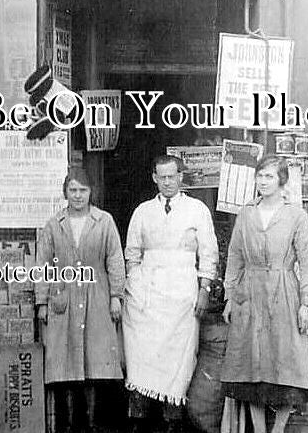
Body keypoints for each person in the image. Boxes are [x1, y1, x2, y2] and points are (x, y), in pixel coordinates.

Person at [221, 155, 308, 433]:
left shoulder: (296, 216)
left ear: (282, 182)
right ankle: (260, 429)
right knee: (251, 366)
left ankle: (278, 430)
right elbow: (235, 256)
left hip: (284, 292)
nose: (262, 182)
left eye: (269, 177)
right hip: (249, 294)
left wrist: (306, 303)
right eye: (259, 176)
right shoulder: (247, 212)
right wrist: (230, 296)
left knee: (286, 363)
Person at [122, 155, 219, 433]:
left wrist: (204, 289)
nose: (167, 182)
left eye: (172, 176)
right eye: (161, 177)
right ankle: (139, 420)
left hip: (182, 294)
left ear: (181, 176)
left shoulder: (196, 209)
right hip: (147, 296)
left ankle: (171, 422)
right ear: (154, 178)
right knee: (142, 358)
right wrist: (136, 285)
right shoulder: (143, 211)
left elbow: (208, 253)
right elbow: (132, 253)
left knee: (179, 360)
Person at [36, 168, 126, 433]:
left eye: (83, 190)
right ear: (65, 192)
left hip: (97, 295)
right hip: (63, 296)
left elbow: (115, 260)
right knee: (66, 367)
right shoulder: (54, 223)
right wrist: (42, 302)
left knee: (97, 364)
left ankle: (96, 425)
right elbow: (42, 265)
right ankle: (69, 426)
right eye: (73, 190)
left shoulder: (105, 221)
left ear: (90, 193)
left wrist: (116, 296)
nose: (78, 196)